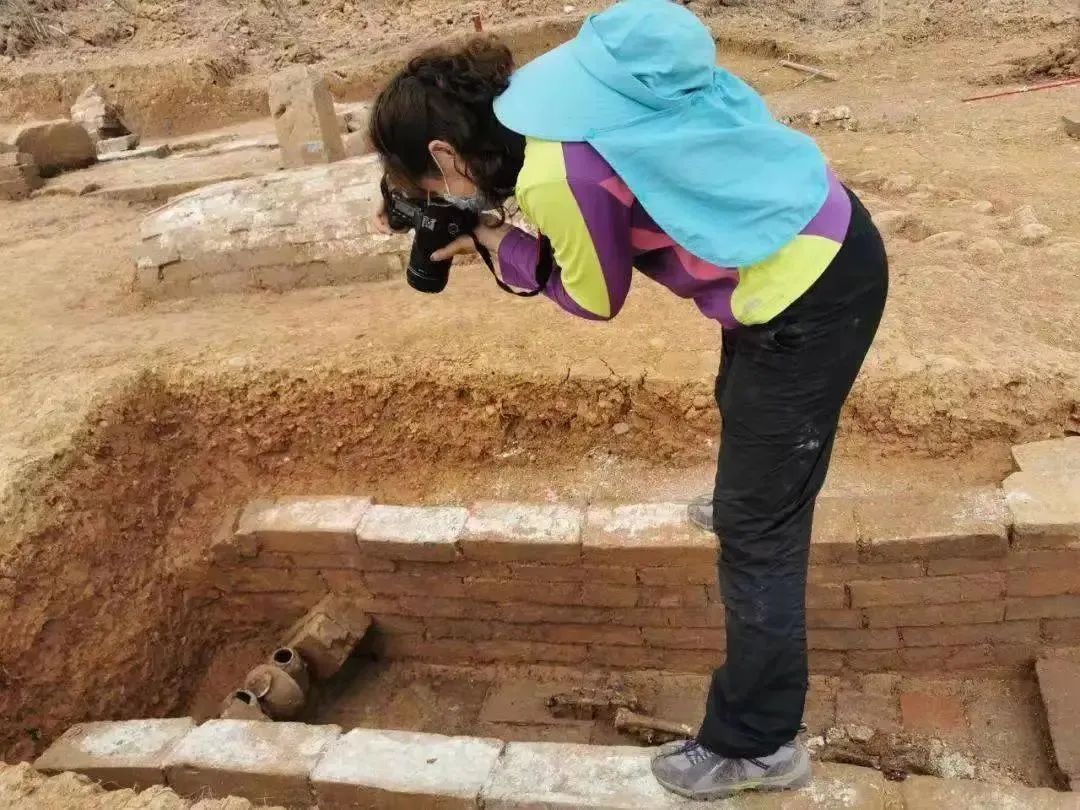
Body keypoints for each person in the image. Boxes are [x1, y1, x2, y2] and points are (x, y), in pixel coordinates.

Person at [369, 0, 888, 800]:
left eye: (429, 179)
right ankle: (762, 493)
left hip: (807, 293)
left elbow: (594, 294)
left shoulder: (551, 174)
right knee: (746, 403)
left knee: (758, 542)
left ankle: (759, 744)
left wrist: (492, 242)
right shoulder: (551, 90)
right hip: (799, 234)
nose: (437, 194)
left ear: (446, 150)